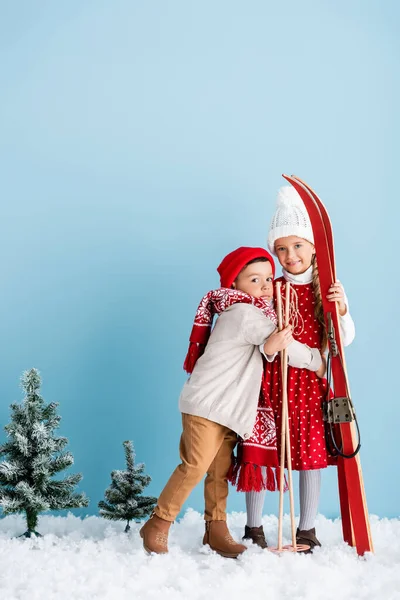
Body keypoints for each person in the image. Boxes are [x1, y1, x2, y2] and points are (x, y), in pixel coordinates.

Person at [140, 246, 323, 558]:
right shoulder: (245, 313)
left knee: (218, 470)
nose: (266, 286)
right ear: (234, 285)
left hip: (226, 411)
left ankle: (216, 529)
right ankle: (159, 521)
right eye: (255, 280)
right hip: (207, 406)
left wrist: (269, 346)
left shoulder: (244, 312)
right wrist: (316, 360)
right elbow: (286, 348)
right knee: (196, 465)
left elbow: (259, 350)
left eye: (268, 278)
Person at [240, 186, 355, 552]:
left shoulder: (328, 290)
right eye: (281, 249)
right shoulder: (270, 289)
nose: (290, 256)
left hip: (307, 387)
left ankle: (306, 529)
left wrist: (341, 311)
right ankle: (254, 527)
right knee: (260, 453)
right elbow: (254, 338)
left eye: (298, 246)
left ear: (314, 247)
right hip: (269, 383)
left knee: (308, 456)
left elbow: (344, 340)